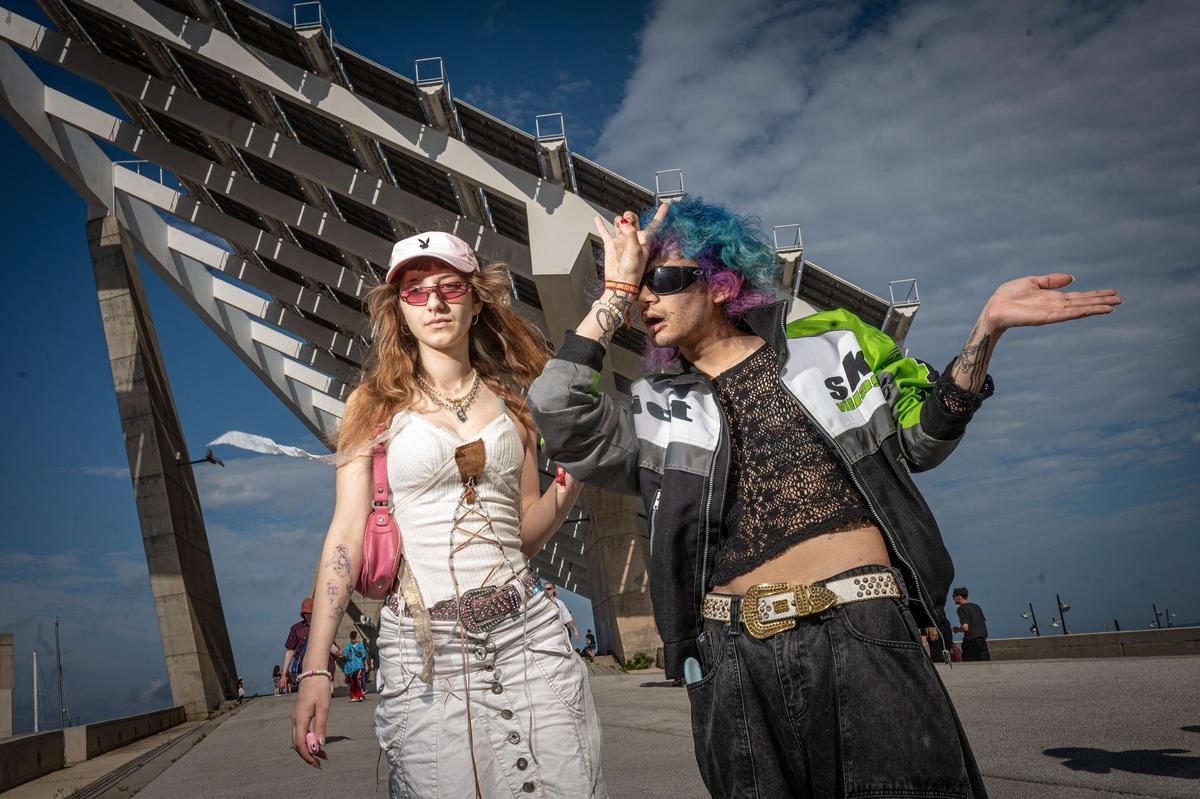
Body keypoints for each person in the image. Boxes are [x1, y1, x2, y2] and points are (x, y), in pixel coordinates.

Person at [527, 196, 1121, 798]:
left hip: (863, 626)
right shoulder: (653, 410)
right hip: (733, 657)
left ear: (723, 283)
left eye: (663, 278)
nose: (645, 298)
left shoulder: (831, 351)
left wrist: (986, 329)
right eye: (638, 285)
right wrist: (612, 295)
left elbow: (922, 442)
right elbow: (557, 410)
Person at [285, 231, 607, 796]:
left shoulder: (514, 403)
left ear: (475, 298)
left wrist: (568, 490)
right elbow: (345, 535)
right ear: (399, 309)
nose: (433, 302)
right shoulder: (374, 404)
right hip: (426, 649)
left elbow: (522, 533)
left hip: (529, 635)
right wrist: (316, 666)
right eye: (414, 291)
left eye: (448, 286)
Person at [280, 597, 339, 697]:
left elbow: (330, 645)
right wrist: (283, 674)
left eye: (310, 613)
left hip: (325, 667)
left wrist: (340, 653)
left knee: (328, 695)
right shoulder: (296, 629)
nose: (308, 615)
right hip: (305, 668)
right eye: (305, 613)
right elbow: (290, 651)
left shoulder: (324, 626)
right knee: (308, 697)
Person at [953, 586, 991, 661]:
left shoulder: (961, 609)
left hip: (971, 643)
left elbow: (965, 627)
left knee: (969, 668)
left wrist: (957, 630)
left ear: (959, 597)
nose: (954, 599)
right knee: (984, 666)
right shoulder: (977, 607)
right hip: (982, 642)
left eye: (954, 596)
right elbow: (982, 621)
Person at [342, 631, 368, 702]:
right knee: (353, 682)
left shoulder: (360, 645)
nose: (353, 639)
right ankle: (353, 695)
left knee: (358, 679)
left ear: (356, 637)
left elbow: (363, 656)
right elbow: (345, 656)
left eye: (354, 638)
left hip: (359, 665)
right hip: (351, 667)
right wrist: (346, 654)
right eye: (352, 638)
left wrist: (366, 665)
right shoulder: (348, 646)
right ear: (350, 638)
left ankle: (361, 695)